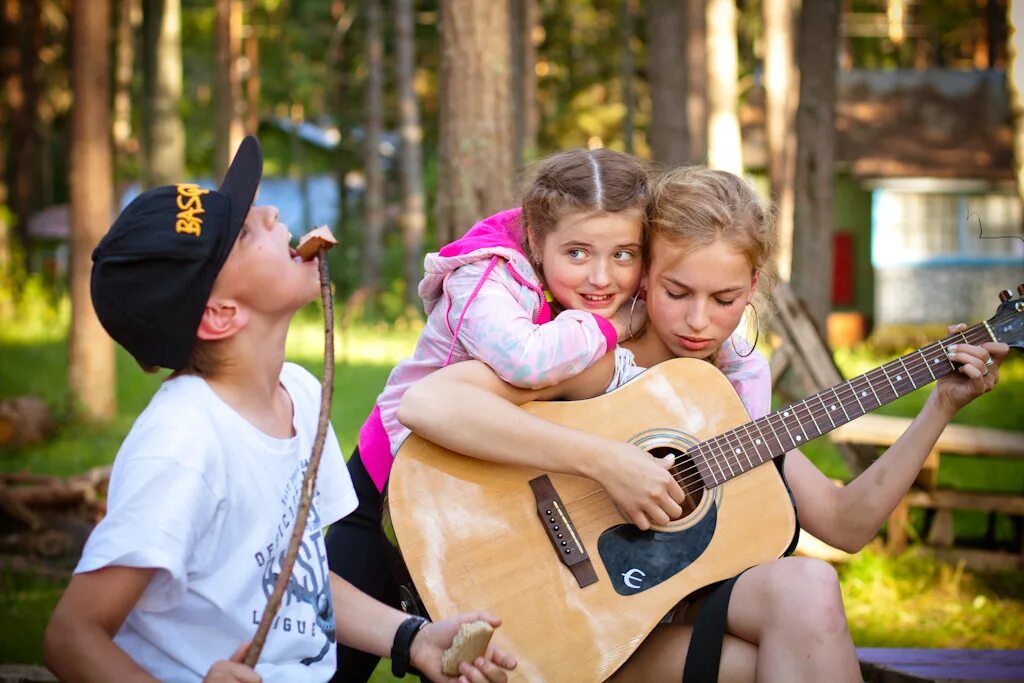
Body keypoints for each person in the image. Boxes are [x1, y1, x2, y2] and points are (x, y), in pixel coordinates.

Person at [396, 166, 1008, 682]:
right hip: (569, 616)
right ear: (645, 269)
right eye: (676, 291)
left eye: (724, 300)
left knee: (808, 586)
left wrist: (941, 405)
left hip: (652, 619)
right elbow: (430, 405)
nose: (698, 322)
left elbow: (846, 525)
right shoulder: (598, 354)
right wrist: (608, 460)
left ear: (753, 288)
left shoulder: (727, 403)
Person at [43, 136, 517, 683]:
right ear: (220, 314)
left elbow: (301, 580)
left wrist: (411, 640)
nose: (270, 212)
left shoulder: (298, 391)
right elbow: (71, 635)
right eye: (245, 233)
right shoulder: (184, 442)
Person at [327, 148, 694, 682]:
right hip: (391, 483)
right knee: (325, 663)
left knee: (473, 657)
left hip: (488, 494)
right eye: (576, 252)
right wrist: (613, 325)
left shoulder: (608, 290)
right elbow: (526, 360)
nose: (600, 277)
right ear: (536, 240)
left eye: (623, 255)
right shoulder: (487, 276)